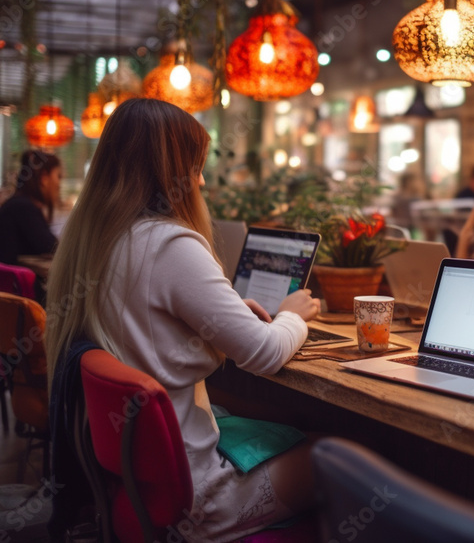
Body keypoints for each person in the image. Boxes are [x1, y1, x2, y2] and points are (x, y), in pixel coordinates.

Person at [45, 98, 320, 541]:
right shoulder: (170, 244)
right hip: (199, 497)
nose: (203, 179)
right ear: (170, 173)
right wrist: (292, 315)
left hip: (136, 484)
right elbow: (265, 353)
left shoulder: (95, 240)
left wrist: (218, 319)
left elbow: (145, 329)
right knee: (343, 456)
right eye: (196, 166)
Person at [0, 150, 61, 269]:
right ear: (44, 178)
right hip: (0, 286)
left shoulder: (17, 203)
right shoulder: (24, 208)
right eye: (58, 176)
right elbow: (51, 247)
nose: (59, 184)